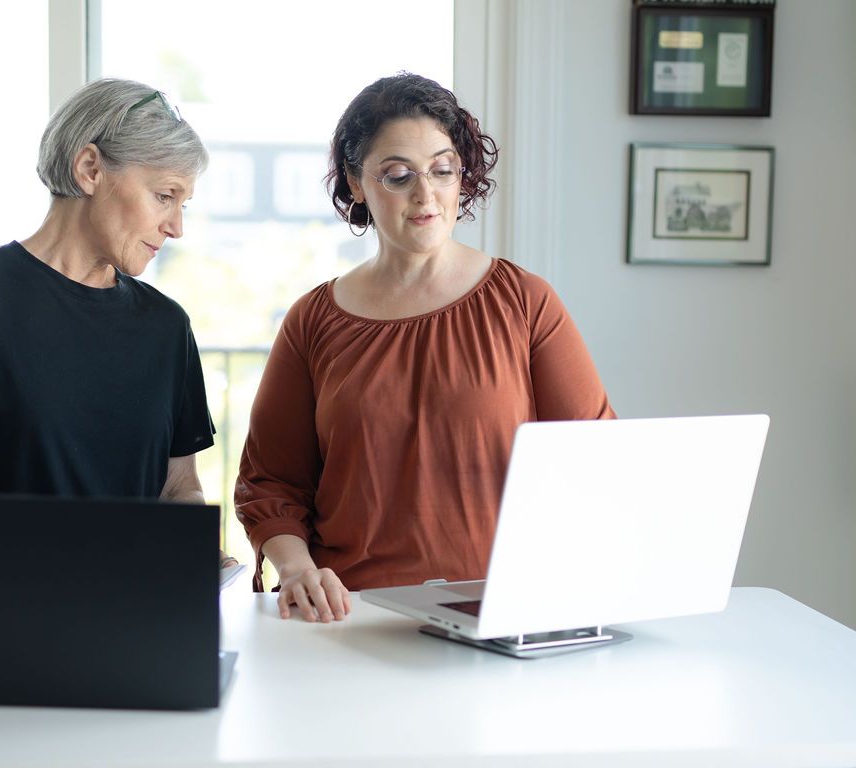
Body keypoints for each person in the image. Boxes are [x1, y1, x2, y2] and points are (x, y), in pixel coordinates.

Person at [235, 73, 613, 622]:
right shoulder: (312, 321)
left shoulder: (525, 302)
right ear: (357, 183)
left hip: (499, 611)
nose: (425, 194)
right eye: (397, 175)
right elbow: (271, 483)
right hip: (350, 616)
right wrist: (296, 569)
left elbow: (593, 458)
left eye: (442, 169)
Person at [0, 78, 236, 567]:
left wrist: (192, 550)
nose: (177, 227)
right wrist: (24, 568)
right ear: (90, 169)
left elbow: (178, 485)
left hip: (133, 619)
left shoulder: (166, 327)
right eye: (164, 196)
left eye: (183, 204)